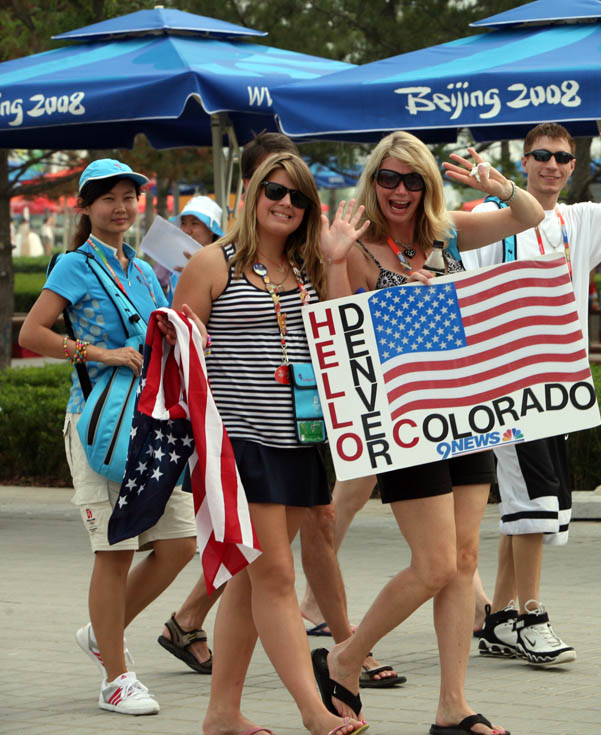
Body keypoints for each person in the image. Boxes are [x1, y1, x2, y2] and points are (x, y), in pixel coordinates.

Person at [312, 130, 543, 735]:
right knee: (437, 562)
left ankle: (452, 706)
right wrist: (342, 266)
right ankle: (346, 654)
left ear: (428, 186)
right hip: (403, 418)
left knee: (464, 562)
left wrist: (500, 187)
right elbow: (340, 338)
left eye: (413, 179)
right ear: (373, 182)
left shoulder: (448, 233)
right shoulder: (357, 246)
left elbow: (532, 216)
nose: (400, 190)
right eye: (388, 178)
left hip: (465, 410)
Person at [173, 151, 367, 735]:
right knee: (277, 578)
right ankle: (313, 710)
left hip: (299, 438)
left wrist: (336, 261)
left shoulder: (309, 265)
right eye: (275, 192)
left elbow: (338, 332)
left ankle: (221, 713)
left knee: (250, 580)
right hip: (239, 443)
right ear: (254, 194)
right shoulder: (213, 263)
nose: (285, 203)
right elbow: (181, 358)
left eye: (298, 197)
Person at [462, 105, 601, 668]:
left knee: (527, 504)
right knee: (535, 501)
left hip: (561, 382)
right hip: (506, 380)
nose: (551, 165)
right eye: (541, 156)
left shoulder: (578, 219)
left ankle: (499, 618)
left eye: (562, 157)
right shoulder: (488, 217)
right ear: (523, 161)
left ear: (572, 166)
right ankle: (531, 617)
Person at [19, 159, 200, 715]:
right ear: (86, 207)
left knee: (179, 544)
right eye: (109, 199)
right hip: (99, 425)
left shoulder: (145, 270)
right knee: (114, 550)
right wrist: (97, 354)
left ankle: (104, 631)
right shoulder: (75, 265)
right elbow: (32, 332)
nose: (122, 207)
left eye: (129, 198)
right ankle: (116, 679)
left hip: (149, 423)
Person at [164, 196, 225, 302]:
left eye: (194, 223)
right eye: (183, 223)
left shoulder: (224, 265)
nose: (187, 230)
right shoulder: (178, 266)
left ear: (211, 230)